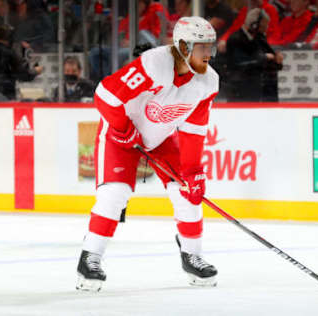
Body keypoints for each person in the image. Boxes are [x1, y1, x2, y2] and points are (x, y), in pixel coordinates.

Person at [76, 16, 219, 292]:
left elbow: (193, 131)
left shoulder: (208, 82)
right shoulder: (154, 64)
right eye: (202, 47)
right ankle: (90, 258)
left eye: (210, 46)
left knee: (187, 190)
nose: (209, 53)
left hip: (161, 137)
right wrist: (122, 127)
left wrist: (192, 171)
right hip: (120, 133)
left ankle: (192, 255)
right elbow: (105, 95)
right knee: (114, 194)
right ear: (183, 46)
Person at [226, 8, 283, 102]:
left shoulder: (259, 38)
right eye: (264, 25)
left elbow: (272, 61)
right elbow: (239, 64)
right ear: (254, 25)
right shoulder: (235, 39)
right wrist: (263, 58)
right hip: (241, 91)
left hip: (262, 90)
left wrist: (277, 61)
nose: (266, 28)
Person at [0, 24, 43, 101]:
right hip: (5, 96)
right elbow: (23, 75)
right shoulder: (9, 54)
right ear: (9, 39)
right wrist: (35, 71)